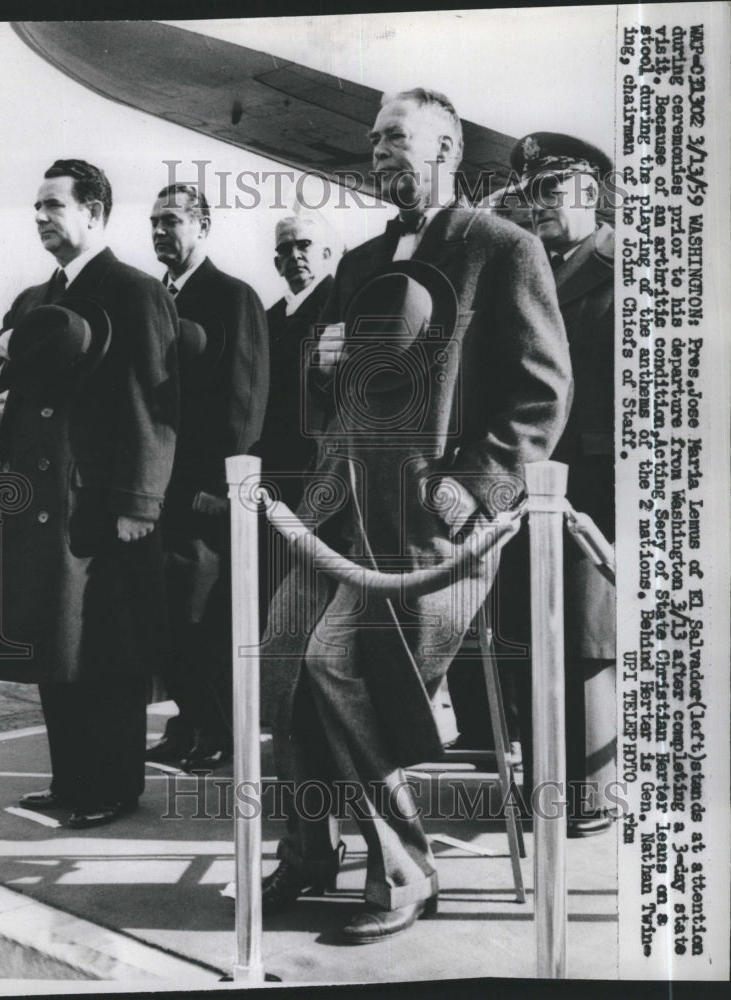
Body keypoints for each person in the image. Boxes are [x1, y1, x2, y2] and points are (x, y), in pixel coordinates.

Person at [260, 88, 572, 943]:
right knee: (281, 656)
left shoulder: (502, 247)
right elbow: (331, 405)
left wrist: (476, 485)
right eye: (373, 141)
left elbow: (542, 392)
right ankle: (308, 852)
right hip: (341, 519)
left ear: (448, 146)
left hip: (440, 535)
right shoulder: (358, 260)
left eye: (397, 137)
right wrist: (323, 366)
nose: (380, 152)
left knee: (339, 663)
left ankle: (403, 867)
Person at [0, 159, 180, 829]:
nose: (39, 217)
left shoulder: (135, 290)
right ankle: (70, 781)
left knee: (106, 651)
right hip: (39, 503)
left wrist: (139, 503)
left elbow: (156, 404)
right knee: (55, 647)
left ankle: (112, 787)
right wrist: (0, 345)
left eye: (52, 206)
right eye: (36, 206)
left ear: (92, 213)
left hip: (97, 506)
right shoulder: (36, 300)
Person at [501, 132, 616, 837]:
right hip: (530, 484)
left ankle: (591, 793)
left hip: (595, 490)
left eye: (549, 191)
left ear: (588, 191)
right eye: (529, 195)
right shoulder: (531, 267)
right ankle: (545, 783)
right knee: (530, 633)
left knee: (583, 637)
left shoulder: (625, 265)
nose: (536, 207)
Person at [145, 183, 269, 772]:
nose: (160, 231)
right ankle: (189, 722)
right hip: (156, 488)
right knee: (168, 615)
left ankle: (221, 731)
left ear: (203, 225)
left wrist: (221, 488)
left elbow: (245, 401)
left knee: (204, 618)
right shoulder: (152, 298)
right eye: (153, 223)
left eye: (171, 220)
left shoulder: (232, 296)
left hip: (201, 491)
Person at [257, 211, 335, 509]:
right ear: (277, 264)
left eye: (304, 245)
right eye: (284, 249)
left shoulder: (341, 306)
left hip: (318, 470)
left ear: (326, 254)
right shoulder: (266, 319)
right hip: (271, 470)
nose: (294, 255)